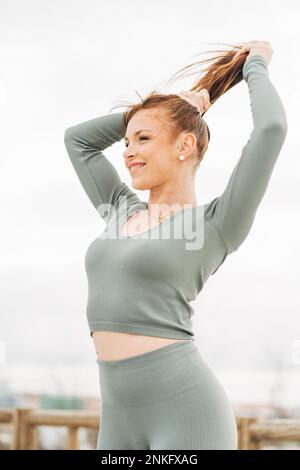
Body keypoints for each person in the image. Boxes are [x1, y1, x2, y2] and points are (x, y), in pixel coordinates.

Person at [64, 40, 288, 450]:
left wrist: (256, 64)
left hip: (185, 411)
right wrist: (165, 107)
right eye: (127, 142)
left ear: (185, 146)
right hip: (116, 414)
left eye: (143, 139)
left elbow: (271, 130)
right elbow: (77, 141)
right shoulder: (120, 209)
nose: (128, 151)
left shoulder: (216, 224)